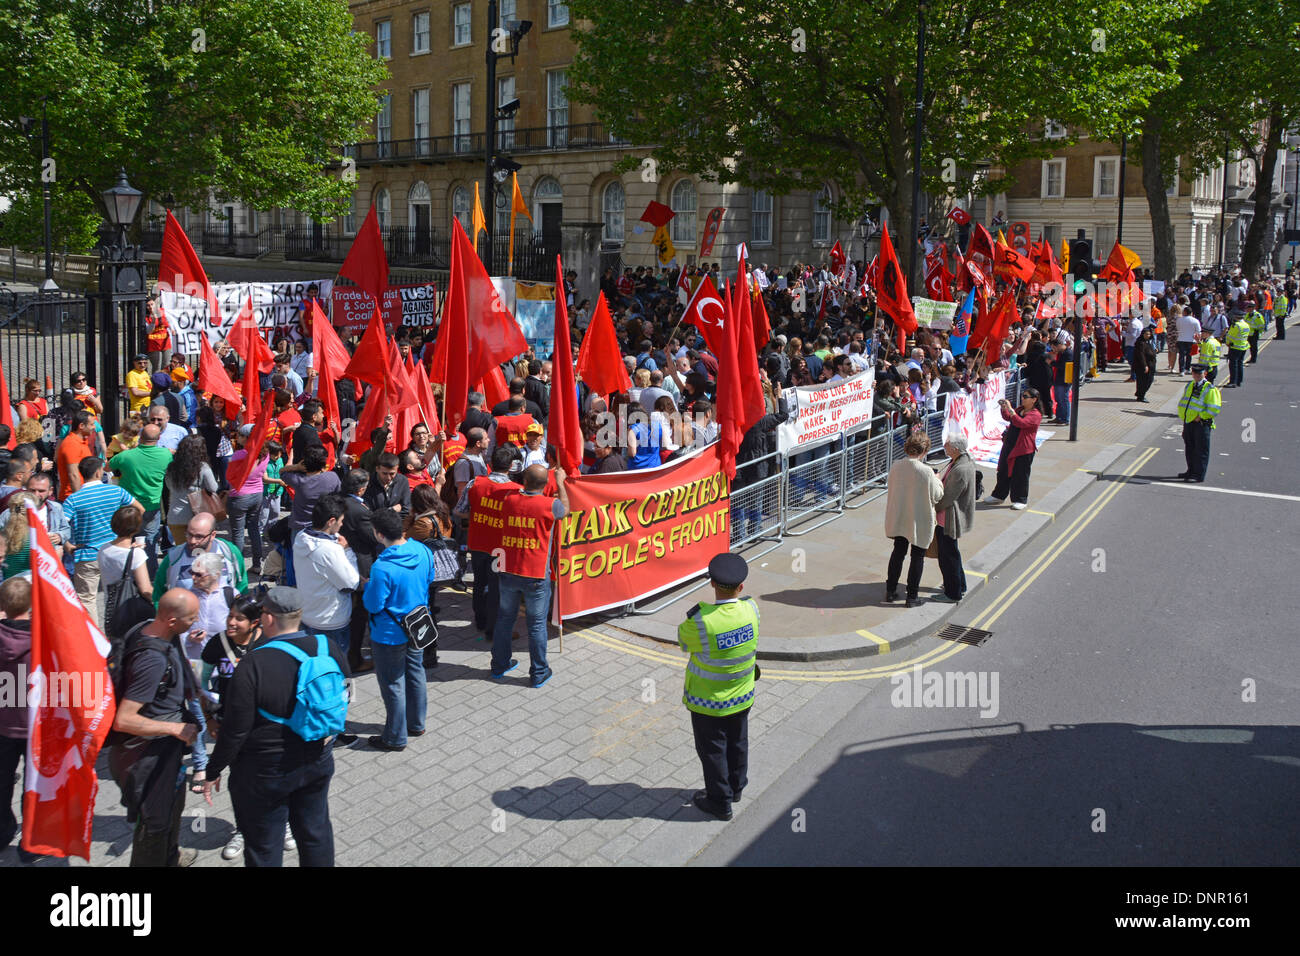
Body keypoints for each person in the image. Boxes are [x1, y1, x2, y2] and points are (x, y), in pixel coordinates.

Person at [201, 587, 348, 867]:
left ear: (267, 618)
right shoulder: (327, 646)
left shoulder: (253, 663)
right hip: (317, 758)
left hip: (264, 770)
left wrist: (213, 769)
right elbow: (345, 693)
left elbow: (236, 729)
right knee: (315, 835)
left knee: (264, 846)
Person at [108, 588, 201, 867]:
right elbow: (124, 719)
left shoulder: (147, 628)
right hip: (148, 755)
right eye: (191, 618)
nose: (195, 623)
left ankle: (170, 858)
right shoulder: (152, 660)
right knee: (154, 824)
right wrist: (175, 729)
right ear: (172, 621)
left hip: (164, 751)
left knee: (173, 807)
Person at [677, 552, 759, 822]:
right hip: (743, 695)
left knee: (713, 751)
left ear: (712, 583)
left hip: (708, 702)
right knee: (738, 743)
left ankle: (719, 802)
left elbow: (683, 642)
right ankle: (736, 789)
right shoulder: (752, 610)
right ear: (742, 587)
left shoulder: (701, 621)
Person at [363, 508, 439, 751]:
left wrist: (367, 589)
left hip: (389, 633)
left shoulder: (382, 567)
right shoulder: (423, 550)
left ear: (378, 534)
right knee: (415, 671)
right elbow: (430, 579)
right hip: (417, 625)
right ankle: (416, 723)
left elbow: (374, 604)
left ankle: (395, 737)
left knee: (393, 682)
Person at [490, 463, 569, 687]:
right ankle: (538, 672)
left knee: (505, 619)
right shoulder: (550, 504)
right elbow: (566, 509)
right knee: (536, 625)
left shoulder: (508, 500)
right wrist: (561, 483)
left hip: (507, 569)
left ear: (524, 481)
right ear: (546, 485)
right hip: (535, 574)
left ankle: (499, 664)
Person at [200, 593, 263, 860]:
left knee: (271, 778)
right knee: (240, 782)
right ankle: (243, 829)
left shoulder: (268, 643)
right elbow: (201, 684)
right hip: (231, 727)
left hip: (265, 726)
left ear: (255, 623)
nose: (232, 622)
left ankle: (280, 824)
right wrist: (210, 718)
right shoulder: (217, 644)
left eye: (240, 618)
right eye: (230, 616)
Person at [64, 456, 141, 626]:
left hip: (87, 554)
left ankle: (95, 640)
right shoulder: (117, 492)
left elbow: (62, 526)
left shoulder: (73, 500)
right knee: (119, 594)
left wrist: (68, 544)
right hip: (117, 550)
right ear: (99, 472)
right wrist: (130, 537)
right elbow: (139, 509)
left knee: (87, 599)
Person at [454, 446, 520, 641]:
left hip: (477, 543)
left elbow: (459, 511)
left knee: (479, 582)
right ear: (510, 467)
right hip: (499, 549)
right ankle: (493, 629)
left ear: (491, 465)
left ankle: (480, 620)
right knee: (496, 587)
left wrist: (478, 514)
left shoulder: (475, 483)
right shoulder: (516, 491)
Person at [293, 494, 360, 661]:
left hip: (308, 615)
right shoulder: (329, 550)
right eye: (341, 520)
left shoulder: (301, 537)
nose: (342, 524)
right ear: (331, 521)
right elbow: (351, 582)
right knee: (336, 669)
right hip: (331, 621)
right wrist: (348, 551)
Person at [0, 577, 38, 862]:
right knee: (33, 786)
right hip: (35, 725)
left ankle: (2, 832)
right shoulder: (44, 639)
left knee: (1, 783)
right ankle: (31, 841)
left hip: (2, 726)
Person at [883, 431, 943, 607]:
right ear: (924, 451)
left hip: (900, 517)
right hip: (919, 520)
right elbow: (937, 495)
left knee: (898, 553)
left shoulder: (896, 465)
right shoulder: (926, 472)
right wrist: (937, 480)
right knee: (917, 557)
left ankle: (890, 590)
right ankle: (912, 597)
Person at [107, 422, 171, 564]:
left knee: (126, 543)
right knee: (150, 544)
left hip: (129, 508)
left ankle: (128, 576)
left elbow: (107, 467)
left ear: (140, 437)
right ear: (159, 437)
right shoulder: (166, 455)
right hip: (152, 507)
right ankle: (150, 578)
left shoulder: (126, 456)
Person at [154, 512, 249, 595]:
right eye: (189, 534)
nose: (192, 541)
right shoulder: (173, 557)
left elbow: (241, 585)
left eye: (199, 537)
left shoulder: (229, 551)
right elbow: (159, 593)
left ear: (212, 535)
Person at [931, 435, 976, 603]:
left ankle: (952, 593)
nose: (945, 446)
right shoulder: (960, 460)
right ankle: (960, 585)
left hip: (948, 519)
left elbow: (948, 497)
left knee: (947, 557)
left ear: (956, 449)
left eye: (947, 444)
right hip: (948, 517)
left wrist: (932, 507)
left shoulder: (960, 469)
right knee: (953, 554)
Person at [98, 505, 155, 630]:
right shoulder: (136, 555)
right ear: (136, 528)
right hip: (131, 610)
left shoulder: (103, 549)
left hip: (111, 608)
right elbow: (145, 589)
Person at [986, 386, 1042, 510]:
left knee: (1020, 474)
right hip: (1010, 445)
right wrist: (1004, 408)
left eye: (1026, 396)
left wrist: (1011, 410)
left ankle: (1020, 499)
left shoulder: (1035, 415)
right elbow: (1008, 417)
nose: (1023, 398)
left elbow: (1021, 423)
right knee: (1003, 470)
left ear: (1034, 399)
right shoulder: (1020, 409)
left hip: (1023, 449)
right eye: (1023, 396)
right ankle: (999, 495)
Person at [227, 423, 270, 575]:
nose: (237, 438)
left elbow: (230, 477)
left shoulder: (240, 455)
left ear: (246, 438)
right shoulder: (265, 453)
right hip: (257, 495)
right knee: (254, 530)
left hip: (239, 496)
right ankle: (257, 564)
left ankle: (237, 567)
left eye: (240, 435)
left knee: (238, 533)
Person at [164, 434, 219, 544]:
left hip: (175, 516)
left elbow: (169, 486)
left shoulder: (171, 467)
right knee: (198, 552)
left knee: (182, 551)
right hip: (197, 517)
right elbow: (213, 487)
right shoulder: (202, 467)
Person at [281, 446, 341, 539]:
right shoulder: (332, 477)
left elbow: (282, 472)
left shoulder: (298, 480)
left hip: (300, 528)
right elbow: (339, 495)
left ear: (304, 462)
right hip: (324, 527)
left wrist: (296, 467)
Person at [1177, 363, 1221, 483]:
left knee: (1200, 450)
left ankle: (1198, 474)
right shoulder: (1190, 385)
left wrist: (1200, 416)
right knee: (1190, 448)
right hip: (1188, 421)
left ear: (1205, 374)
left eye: (1199, 373)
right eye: (1194, 373)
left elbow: (1214, 408)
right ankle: (1190, 471)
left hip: (1201, 423)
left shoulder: (1210, 389)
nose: (1196, 375)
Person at [55, 410, 97, 501]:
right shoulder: (71, 444)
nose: (94, 427)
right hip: (72, 498)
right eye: (91, 424)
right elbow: (73, 475)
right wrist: (79, 501)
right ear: (81, 426)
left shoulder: (81, 441)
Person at [1132, 327, 1158, 403]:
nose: (1148, 335)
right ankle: (1141, 396)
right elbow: (1141, 355)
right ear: (1143, 334)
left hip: (1150, 365)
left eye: (1149, 334)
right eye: (1146, 334)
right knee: (1144, 381)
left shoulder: (1148, 342)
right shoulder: (1140, 343)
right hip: (1143, 366)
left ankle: (1140, 393)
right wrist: (1145, 366)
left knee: (1149, 380)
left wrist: (1154, 351)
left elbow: (1148, 351)